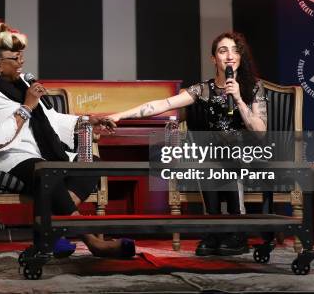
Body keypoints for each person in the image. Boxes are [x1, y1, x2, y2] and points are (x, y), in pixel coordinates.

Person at [0, 18, 135, 259]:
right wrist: (26, 107)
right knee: (46, 172)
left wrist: (87, 120)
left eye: (22, 56)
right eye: (16, 58)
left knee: (91, 164)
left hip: (43, 154)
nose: (22, 62)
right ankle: (94, 242)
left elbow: (53, 120)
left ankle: (51, 234)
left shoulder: (23, 86)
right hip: (13, 158)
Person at [107, 32, 267, 256]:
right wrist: (119, 116)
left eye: (235, 50)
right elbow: (162, 104)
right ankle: (214, 229)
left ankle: (237, 233)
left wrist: (239, 99)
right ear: (214, 59)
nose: (230, 56)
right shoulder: (202, 90)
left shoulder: (253, 88)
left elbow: (260, 132)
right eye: (223, 51)